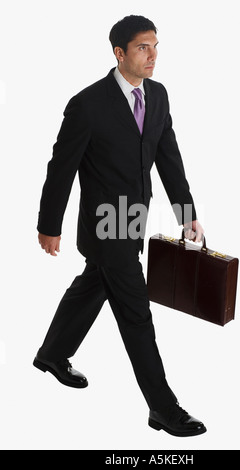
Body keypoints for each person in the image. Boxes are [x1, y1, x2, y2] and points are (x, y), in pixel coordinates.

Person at [34, 14, 206, 438]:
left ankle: (52, 354)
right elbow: (61, 169)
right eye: (143, 47)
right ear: (119, 53)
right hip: (104, 224)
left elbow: (169, 158)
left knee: (95, 283)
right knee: (135, 311)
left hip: (134, 218)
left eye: (155, 46)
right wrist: (49, 225)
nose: (152, 56)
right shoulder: (87, 104)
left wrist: (187, 213)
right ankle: (164, 409)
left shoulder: (159, 96)